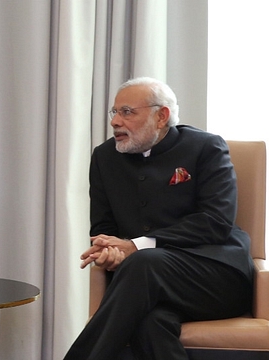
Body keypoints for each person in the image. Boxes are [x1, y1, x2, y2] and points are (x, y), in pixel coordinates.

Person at [64, 77, 253, 360]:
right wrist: (111, 252)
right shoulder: (105, 157)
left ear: (161, 116)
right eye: (114, 112)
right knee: (150, 322)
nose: (116, 121)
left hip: (214, 278)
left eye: (127, 112)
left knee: (144, 262)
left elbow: (216, 221)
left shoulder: (206, 147)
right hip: (144, 283)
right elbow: (104, 228)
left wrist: (137, 246)